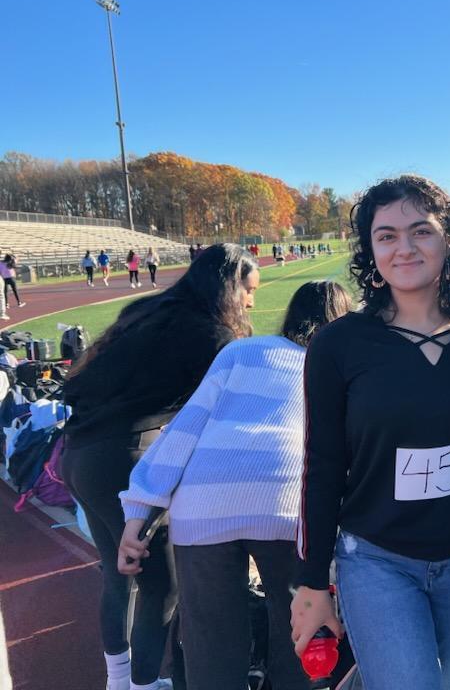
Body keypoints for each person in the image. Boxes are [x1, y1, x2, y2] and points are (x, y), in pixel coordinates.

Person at [291, 176, 450, 690]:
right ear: (370, 249)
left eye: (421, 231)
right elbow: (322, 466)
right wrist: (313, 582)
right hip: (376, 559)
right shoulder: (338, 344)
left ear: (449, 239)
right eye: (386, 236)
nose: (404, 248)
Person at [118, 280, 349, 690]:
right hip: (286, 500)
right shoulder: (336, 364)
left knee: (210, 643)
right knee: (299, 630)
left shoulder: (240, 352)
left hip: (203, 503)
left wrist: (138, 514)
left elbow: (184, 430)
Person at [62, 244, 260, 690]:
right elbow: (221, 422)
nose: (251, 302)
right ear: (229, 288)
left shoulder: (145, 310)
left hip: (80, 453)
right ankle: (144, 684)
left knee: (117, 575)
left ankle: (119, 681)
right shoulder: (215, 337)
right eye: (248, 291)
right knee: (162, 587)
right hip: (125, 459)